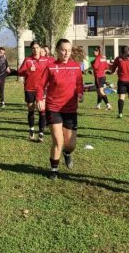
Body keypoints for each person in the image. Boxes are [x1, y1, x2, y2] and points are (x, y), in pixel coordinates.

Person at [38, 39, 84, 180]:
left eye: (69, 50)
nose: (66, 53)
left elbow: (79, 84)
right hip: (54, 108)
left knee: (70, 144)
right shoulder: (50, 67)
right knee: (58, 141)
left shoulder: (76, 67)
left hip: (70, 109)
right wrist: (40, 99)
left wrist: (80, 93)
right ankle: (54, 169)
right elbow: (40, 85)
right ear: (57, 50)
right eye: (63, 50)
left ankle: (67, 153)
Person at [17, 41, 49, 141]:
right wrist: (27, 70)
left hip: (43, 89)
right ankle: (31, 130)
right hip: (29, 89)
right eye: (33, 48)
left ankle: (41, 133)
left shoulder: (47, 60)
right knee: (31, 110)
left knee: (42, 111)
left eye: (37, 47)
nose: (35, 50)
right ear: (31, 49)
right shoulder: (27, 60)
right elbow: (20, 72)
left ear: (40, 48)